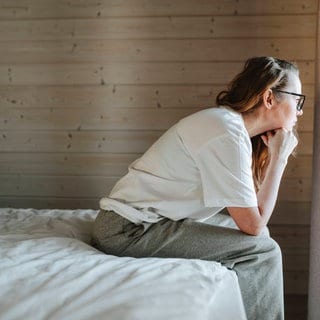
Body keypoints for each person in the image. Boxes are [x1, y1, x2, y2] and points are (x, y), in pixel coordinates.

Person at [93, 56, 305, 320]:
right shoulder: (225, 133)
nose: (300, 111)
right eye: (297, 100)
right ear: (269, 98)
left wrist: (275, 156)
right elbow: (254, 224)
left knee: (259, 242)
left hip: (142, 224)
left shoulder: (231, 129)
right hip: (128, 231)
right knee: (265, 252)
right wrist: (279, 159)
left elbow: (254, 219)